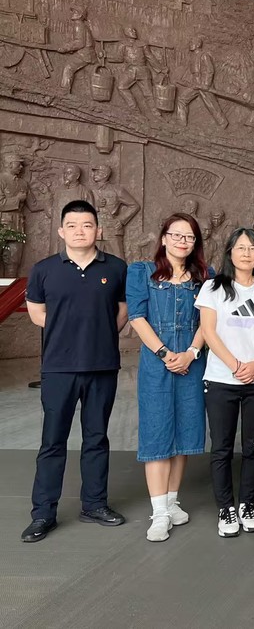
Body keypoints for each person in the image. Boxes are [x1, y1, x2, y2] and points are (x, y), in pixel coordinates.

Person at [21, 200, 128, 543]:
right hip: (58, 368)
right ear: (61, 231)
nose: (79, 231)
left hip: (102, 366)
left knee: (96, 438)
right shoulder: (44, 269)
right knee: (53, 441)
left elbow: (122, 311)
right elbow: (36, 312)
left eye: (87, 225)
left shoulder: (116, 268)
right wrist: (68, 331)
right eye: (72, 225)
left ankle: (94, 504)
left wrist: (98, 334)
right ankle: (43, 513)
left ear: (99, 230)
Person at [126, 213, 213, 542]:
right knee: (157, 433)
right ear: (163, 238)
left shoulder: (205, 275)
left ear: (195, 243)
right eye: (176, 235)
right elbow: (137, 317)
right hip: (156, 365)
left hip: (192, 363)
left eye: (189, 237)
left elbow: (208, 321)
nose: (182, 241)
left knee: (184, 433)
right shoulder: (141, 272)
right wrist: (164, 354)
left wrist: (191, 353)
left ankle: (173, 502)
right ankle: (159, 512)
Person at [195, 227, 254, 538]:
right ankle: (226, 507)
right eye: (241, 247)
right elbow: (208, 331)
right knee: (222, 447)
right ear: (230, 252)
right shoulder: (213, 287)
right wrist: (235, 365)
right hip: (222, 379)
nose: (247, 253)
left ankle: (247, 504)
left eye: (253, 248)